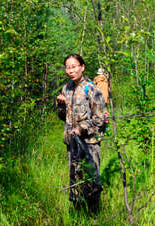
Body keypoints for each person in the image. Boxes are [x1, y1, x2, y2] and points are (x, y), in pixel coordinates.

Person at [56, 54, 106, 213]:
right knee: (75, 182)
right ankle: (78, 215)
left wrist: (81, 128)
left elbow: (99, 119)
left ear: (82, 67)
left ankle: (94, 216)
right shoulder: (66, 88)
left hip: (89, 144)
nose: (71, 70)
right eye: (68, 67)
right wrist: (61, 105)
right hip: (72, 144)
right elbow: (63, 117)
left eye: (74, 66)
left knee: (91, 181)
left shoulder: (92, 89)